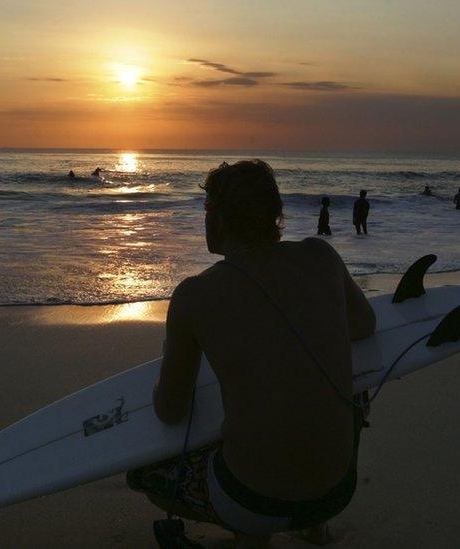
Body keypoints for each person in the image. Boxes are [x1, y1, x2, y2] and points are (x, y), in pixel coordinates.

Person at [126, 160, 375, 548]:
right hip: (338, 491)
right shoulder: (322, 256)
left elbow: (171, 411)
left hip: (253, 501)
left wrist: (173, 358)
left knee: (142, 473)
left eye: (207, 211)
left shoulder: (196, 295)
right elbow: (363, 326)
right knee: (354, 391)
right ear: (275, 215)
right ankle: (314, 526)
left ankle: (252, 536)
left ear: (220, 220)